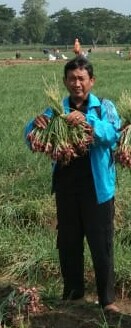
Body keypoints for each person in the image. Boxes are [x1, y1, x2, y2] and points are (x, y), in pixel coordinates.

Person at [24, 56, 121, 312]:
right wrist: (34, 125)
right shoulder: (56, 110)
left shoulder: (103, 108)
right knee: (68, 242)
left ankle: (107, 300)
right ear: (65, 81)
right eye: (71, 79)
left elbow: (113, 135)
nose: (76, 83)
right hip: (66, 188)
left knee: (101, 244)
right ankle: (73, 294)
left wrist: (87, 121)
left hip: (97, 189)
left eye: (81, 78)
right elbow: (29, 137)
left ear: (91, 81)